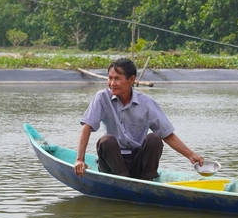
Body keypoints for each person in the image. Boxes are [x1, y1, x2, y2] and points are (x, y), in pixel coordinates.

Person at [74, 58, 203, 180]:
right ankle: (123, 180)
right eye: (110, 78)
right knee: (106, 140)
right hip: (112, 162)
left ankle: (146, 180)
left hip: (138, 162)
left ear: (131, 80)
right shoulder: (102, 97)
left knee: (154, 138)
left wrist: (190, 155)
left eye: (117, 79)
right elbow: (87, 127)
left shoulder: (146, 103)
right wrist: (80, 159)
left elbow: (167, 134)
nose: (112, 83)